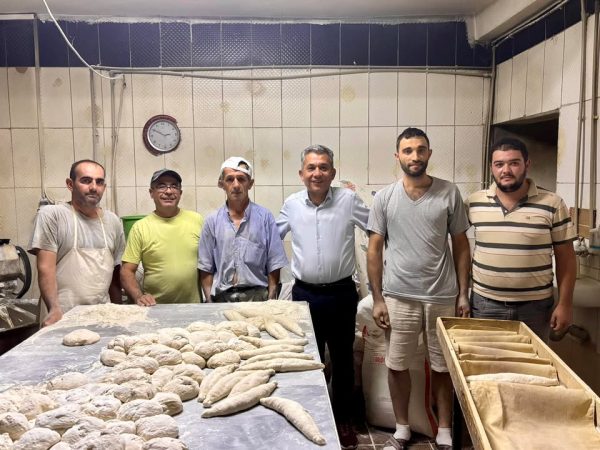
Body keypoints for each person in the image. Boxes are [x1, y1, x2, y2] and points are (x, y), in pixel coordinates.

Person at [367, 128, 471, 450]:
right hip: (399, 297)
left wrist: (463, 294)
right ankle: (402, 429)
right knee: (397, 364)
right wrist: (378, 298)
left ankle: (444, 430)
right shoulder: (384, 198)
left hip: (442, 296)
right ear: (397, 156)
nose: (415, 156)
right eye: (408, 150)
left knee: (442, 365)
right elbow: (374, 250)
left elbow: (461, 245)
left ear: (429, 153)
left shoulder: (449, 193)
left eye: (421, 149)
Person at [277, 144, 369, 450]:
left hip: (342, 293)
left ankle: (343, 421)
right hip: (305, 295)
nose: (317, 173)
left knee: (343, 361)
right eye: (311, 167)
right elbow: (270, 236)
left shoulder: (348, 200)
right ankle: (311, 418)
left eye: (323, 167)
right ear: (301, 173)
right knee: (307, 361)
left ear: (332, 172)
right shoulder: (292, 204)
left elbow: (376, 228)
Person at [466, 137, 576, 342]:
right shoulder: (474, 202)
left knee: (532, 360)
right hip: (485, 305)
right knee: (486, 360)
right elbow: (458, 245)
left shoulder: (552, 203)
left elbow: (567, 258)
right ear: (491, 167)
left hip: (535, 308)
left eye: (514, 163)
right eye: (499, 164)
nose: (506, 170)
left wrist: (565, 304)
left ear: (527, 164)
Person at [28, 159, 125, 326]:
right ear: (70, 184)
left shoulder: (113, 221)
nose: (93, 187)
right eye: (86, 180)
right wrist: (54, 309)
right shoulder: (53, 215)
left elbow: (116, 275)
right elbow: (45, 268)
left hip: (102, 316)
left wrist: (119, 313)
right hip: (61, 315)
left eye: (99, 182)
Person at [198, 156, 288, 302]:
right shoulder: (211, 221)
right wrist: (209, 301)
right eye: (230, 179)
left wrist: (271, 299)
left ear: (250, 183)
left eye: (241, 179)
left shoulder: (265, 218)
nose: (236, 185)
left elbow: (274, 263)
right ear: (221, 184)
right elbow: (205, 267)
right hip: (222, 297)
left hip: (259, 297)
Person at [121, 169, 203, 305]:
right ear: (151, 193)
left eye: (174, 186)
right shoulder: (140, 227)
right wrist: (138, 296)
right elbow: (127, 271)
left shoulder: (197, 220)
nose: (169, 191)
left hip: (193, 306)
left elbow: (209, 263)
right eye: (161, 186)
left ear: (180, 193)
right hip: (154, 308)